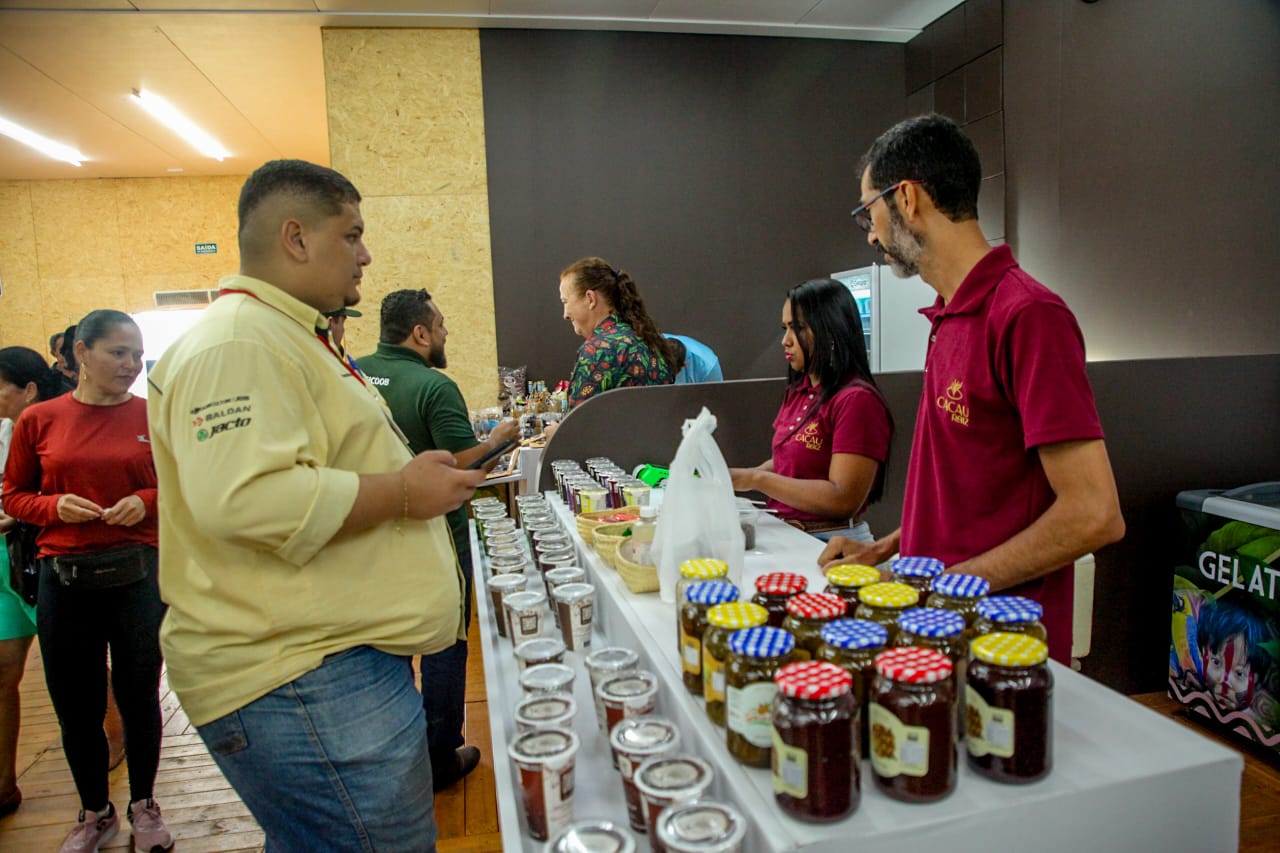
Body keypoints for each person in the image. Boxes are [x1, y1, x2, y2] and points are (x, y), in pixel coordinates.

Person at [146, 158, 486, 851]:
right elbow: (246, 499)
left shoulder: (284, 336)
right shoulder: (238, 342)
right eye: (351, 235)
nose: (365, 255)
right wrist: (403, 491)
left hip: (325, 667)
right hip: (300, 676)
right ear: (296, 238)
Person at [820, 113, 1125, 663]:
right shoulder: (948, 314)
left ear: (907, 198)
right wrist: (885, 551)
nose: (871, 233)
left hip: (1000, 647)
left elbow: (1094, 513)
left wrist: (945, 588)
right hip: (939, 627)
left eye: (870, 211)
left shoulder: (1029, 316)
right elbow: (974, 493)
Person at [1, 312, 173, 852]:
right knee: (77, 706)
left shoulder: (153, 414)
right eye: (118, 353)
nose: (131, 364)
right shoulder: (39, 420)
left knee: (139, 697)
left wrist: (144, 501)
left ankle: (144, 805)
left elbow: (181, 483)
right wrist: (52, 507)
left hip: (138, 577)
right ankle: (95, 811)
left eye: (136, 355)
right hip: (65, 581)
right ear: (81, 352)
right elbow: (13, 495)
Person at [356, 288, 519, 791]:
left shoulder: (354, 373)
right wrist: (498, 441)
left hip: (373, 533)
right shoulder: (434, 385)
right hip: (436, 538)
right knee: (446, 642)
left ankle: (395, 754)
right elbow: (462, 466)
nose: (446, 332)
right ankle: (440, 756)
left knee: (386, 643)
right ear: (420, 333)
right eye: (442, 325)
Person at [729, 279, 892, 542]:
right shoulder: (799, 390)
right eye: (785, 328)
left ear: (831, 330)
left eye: (799, 328)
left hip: (831, 541)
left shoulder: (857, 400)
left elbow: (843, 499)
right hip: (790, 534)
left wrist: (756, 479)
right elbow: (792, 462)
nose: (785, 341)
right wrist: (738, 477)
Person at [0, 346, 62, 819]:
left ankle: (113, 737)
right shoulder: (4, 430)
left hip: (49, 559)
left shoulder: (57, 429)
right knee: (4, 673)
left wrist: (20, 515)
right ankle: (4, 785)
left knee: (78, 669)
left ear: (29, 390)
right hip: (7, 562)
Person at [559, 257, 677, 408]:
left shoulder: (598, 350)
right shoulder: (649, 340)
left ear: (590, 299)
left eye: (565, 301)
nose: (565, 315)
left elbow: (578, 420)